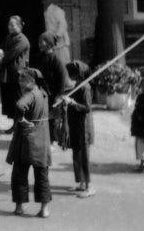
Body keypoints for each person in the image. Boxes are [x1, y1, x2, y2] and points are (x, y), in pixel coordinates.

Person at [6, 68, 51, 218]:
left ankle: (19, 207)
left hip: (26, 141)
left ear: (32, 81)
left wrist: (21, 120)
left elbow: (19, 106)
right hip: (42, 141)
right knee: (42, 175)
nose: (20, 84)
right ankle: (44, 209)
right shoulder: (44, 93)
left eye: (23, 81)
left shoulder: (31, 95)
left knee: (19, 174)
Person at [60, 60, 94, 197]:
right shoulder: (76, 86)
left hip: (83, 127)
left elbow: (87, 108)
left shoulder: (85, 87)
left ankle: (88, 185)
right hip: (75, 125)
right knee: (77, 155)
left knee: (84, 156)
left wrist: (72, 103)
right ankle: (81, 183)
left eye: (70, 73)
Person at [31, 32, 72, 142]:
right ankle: (41, 137)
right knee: (39, 115)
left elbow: (62, 78)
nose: (40, 43)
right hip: (41, 92)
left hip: (53, 93)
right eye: (39, 41)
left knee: (52, 118)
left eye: (43, 41)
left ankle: (52, 140)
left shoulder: (56, 60)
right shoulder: (37, 58)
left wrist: (59, 94)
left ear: (49, 44)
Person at [0, 15, 30, 133]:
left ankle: (21, 124)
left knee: (18, 99)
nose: (10, 27)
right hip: (8, 74)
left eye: (13, 25)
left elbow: (11, 55)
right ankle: (15, 124)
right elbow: (1, 47)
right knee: (11, 100)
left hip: (17, 74)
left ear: (19, 26)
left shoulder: (22, 40)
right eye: (9, 24)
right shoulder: (9, 37)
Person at [42, 0, 71, 65]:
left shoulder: (57, 10)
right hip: (51, 43)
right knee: (55, 64)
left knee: (64, 63)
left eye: (45, 0)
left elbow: (63, 25)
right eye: (42, 0)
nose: (43, 2)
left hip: (60, 42)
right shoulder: (45, 12)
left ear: (50, 0)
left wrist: (56, 36)